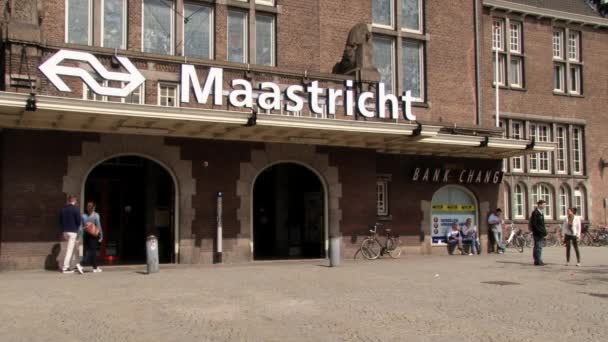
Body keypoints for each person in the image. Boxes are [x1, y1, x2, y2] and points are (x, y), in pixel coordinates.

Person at [76, 202, 103, 274]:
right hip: (93, 235)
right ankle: (81, 264)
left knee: (92, 251)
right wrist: (101, 236)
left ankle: (95, 267)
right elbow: (99, 226)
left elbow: (80, 228)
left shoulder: (83, 216)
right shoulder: (96, 215)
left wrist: (78, 238)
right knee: (91, 251)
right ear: (94, 207)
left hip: (86, 235)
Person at [59, 195, 81, 274]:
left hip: (65, 231)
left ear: (69, 200)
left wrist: (63, 229)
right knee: (70, 250)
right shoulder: (76, 209)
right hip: (73, 232)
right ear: (74, 200)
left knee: (72, 248)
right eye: (76, 201)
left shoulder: (63, 209)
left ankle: (75, 264)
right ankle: (65, 267)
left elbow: (60, 221)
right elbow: (79, 221)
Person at [530, 200, 548, 266]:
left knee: (538, 247)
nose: (545, 206)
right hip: (538, 233)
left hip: (540, 232)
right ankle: (538, 261)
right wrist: (540, 232)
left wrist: (545, 232)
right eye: (544, 204)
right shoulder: (535, 212)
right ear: (540, 205)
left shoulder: (541, 212)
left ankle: (538, 260)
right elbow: (534, 224)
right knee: (538, 247)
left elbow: (542, 224)